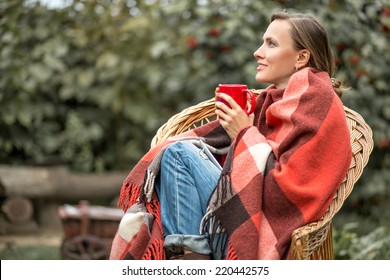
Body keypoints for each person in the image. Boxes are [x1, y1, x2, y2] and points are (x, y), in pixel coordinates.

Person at [110, 11, 352, 260]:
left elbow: (286, 191)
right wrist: (237, 132)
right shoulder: (273, 100)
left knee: (178, 154)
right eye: (262, 42)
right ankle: (192, 257)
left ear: (301, 57)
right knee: (177, 154)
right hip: (237, 208)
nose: (258, 52)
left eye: (271, 44)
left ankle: (190, 260)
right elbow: (248, 159)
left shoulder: (316, 100)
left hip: (262, 218)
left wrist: (243, 132)